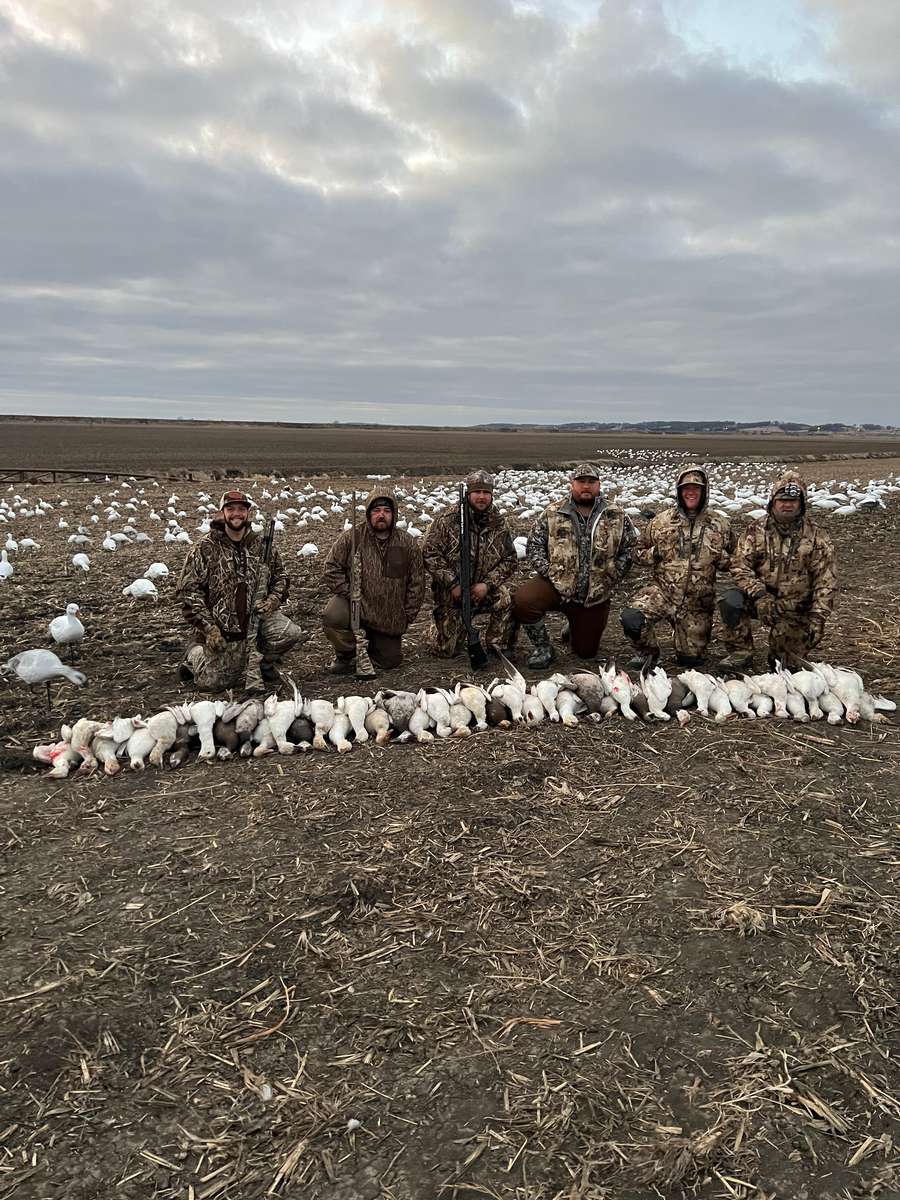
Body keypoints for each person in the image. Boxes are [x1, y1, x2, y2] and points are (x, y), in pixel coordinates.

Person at [175, 489, 306, 692]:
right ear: (222, 512)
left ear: (248, 513)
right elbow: (188, 593)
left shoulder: (262, 545)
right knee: (213, 684)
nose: (236, 514)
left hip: (256, 621)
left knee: (289, 633)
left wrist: (272, 600)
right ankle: (194, 654)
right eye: (230, 509)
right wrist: (209, 629)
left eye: (241, 509)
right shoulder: (205, 548)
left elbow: (281, 577)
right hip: (222, 629)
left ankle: (262, 665)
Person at [513, 463, 637, 668]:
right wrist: (549, 571)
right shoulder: (553, 512)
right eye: (581, 482)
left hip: (594, 593)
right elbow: (534, 543)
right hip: (557, 584)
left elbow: (630, 547)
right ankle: (544, 648)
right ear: (572, 484)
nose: (586, 486)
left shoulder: (616, 514)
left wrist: (613, 575)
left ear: (599, 485)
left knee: (586, 653)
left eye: (591, 482)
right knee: (524, 601)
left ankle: (574, 627)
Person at [620, 465, 735, 670]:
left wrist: (722, 558)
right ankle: (648, 654)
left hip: (697, 602)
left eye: (696, 488)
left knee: (690, 661)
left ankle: (685, 639)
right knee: (632, 617)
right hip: (662, 594)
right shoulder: (661, 522)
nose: (690, 492)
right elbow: (636, 553)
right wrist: (655, 553)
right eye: (686, 488)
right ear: (679, 491)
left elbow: (738, 560)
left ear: (704, 491)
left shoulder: (719, 524)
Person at [719, 471, 837, 670]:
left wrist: (818, 617)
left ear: (801, 503)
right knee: (730, 599)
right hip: (761, 599)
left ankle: (785, 650)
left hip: (796, 607)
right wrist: (759, 594)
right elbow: (740, 565)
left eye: (793, 500)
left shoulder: (817, 537)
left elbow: (826, 581)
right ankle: (741, 652)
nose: (787, 504)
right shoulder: (755, 531)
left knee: (782, 666)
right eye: (782, 499)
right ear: (773, 501)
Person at [321, 487, 425, 673]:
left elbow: (417, 583)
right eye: (376, 511)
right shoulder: (352, 538)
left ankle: (370, 650)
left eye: (386, 510)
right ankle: (348, 655)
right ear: (368, 514)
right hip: (357, 609)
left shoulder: (407, 542)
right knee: (333, 614)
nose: (381, 515)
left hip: (388, 618)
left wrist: (407, 615)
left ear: (394, 514)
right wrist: (349, 593)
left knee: (390, 662)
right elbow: (330, 568)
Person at [422, 469, 518, 658]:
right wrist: (452, 584)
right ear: (468, 493)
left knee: (507, 599)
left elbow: (510, 559)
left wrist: (487, 584)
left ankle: (497, 644)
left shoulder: (498, 523)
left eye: (486, 492)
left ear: (491, 495)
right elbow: (429, 553)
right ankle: (435, 630)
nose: (481, 497)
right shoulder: (447, 520)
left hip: (482, 589)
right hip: (453, 593)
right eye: (477, 492)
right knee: (446, 651)